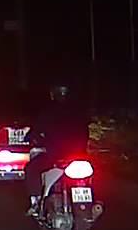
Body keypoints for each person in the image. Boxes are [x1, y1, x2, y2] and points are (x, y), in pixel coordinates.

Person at [25, 84, 90, 216]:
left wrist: (33, 138)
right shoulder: (79, 112)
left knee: (31, 169)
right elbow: (86, 132)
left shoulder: (48, 112)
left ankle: (36, 202)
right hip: (80, 157)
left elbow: (35, 133)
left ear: (53, 95)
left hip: (56, 156)